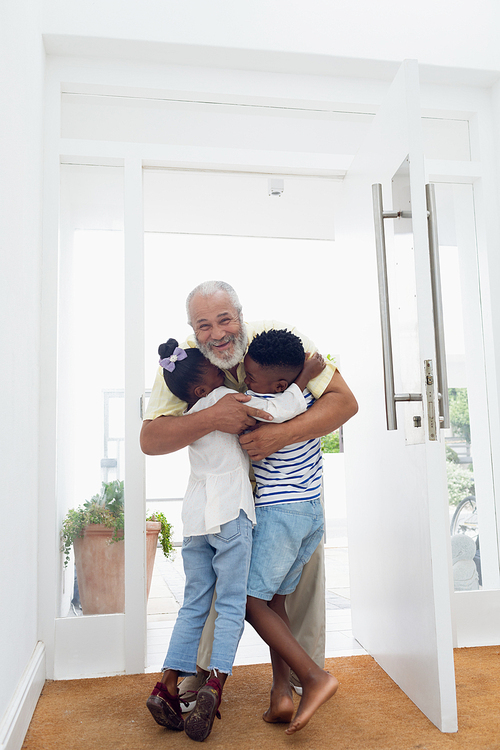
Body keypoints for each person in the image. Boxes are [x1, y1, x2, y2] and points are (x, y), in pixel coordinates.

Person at [140, 280, 358, 709]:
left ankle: (299, 680)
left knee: (289, 588)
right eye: (204, 325)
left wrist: (280, 436)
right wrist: (212, 418)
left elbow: (344, 402)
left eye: (225, 319)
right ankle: (200, 675)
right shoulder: (184, 364)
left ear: (241, 315)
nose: (217, 333)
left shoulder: (276, 340)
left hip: (288, 497)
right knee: (228, 588)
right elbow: (150, 438)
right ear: (192, 330)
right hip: (227, 500)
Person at [146, 338, 317, 741]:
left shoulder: (188, 413)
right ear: (204, 387)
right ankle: (214, 683)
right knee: (230, 603)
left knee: (193, 604)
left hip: (195, 519)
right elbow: (276, 410)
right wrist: (305, 378)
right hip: (231, 514)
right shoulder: (227, 401)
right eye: (214, 371)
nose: (224, 372)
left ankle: (167, 684)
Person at [243, 329, 339, 734]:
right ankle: (281, 695)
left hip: (279, 514)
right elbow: (291, 404)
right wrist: (304, 380)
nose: (244, 382)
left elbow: (276, 410)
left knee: (249, 602)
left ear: (278, 385)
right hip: (310, 512)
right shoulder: (311, 398)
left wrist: (292, 386)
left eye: (250, 378)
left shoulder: (262, 404)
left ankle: (314, 677)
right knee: (276, 603)